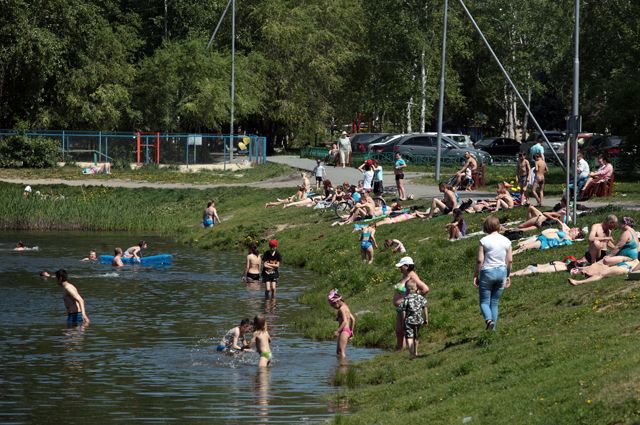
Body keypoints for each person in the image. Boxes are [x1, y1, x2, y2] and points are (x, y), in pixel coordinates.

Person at [474, 215, 512, 330]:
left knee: (484, 302)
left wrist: (476, 275)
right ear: (498, 226)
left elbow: (480, 260)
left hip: (488, 272)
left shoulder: (484, 241)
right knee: (494, 303)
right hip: (502, 272)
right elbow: (509, 260)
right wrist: (508, 275)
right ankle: (492, 331)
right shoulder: (507, 241)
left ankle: (488, 320)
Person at [393, 257, 429, 349]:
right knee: (399, 330)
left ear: (407, 266)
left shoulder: (411, 276)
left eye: (401, 266)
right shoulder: (406, 275)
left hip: (406, 308)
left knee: (404, 329)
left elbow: (425, 289)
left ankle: (407, 350)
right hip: (401, 307)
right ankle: (400, 349)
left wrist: (414, 301)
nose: (399, 268)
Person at [513, 223, 585, 255]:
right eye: (575, 229)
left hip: (545, 242)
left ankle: (511, 255)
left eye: (576, 231)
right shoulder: (566, 232)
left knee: (524, 247)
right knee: (520, 244)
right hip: (541, 237)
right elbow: (563, 224)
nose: (574, 229)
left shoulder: (568, 239)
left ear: (576, 236)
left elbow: (566, 242)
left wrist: (570, 239)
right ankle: (509, 252)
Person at [399, 280, 428, 358]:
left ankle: (411, 354)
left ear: (407, 290)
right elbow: (425, 308)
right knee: (416, 336)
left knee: (409, 337)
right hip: (418, 320)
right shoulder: (421, 298)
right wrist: (426, 319)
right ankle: (416, 352)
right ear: (416, 289)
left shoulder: (406, 299)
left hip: (409, 321)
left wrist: (403, 321)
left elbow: (403, 311)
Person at [327, 289, 356, 358]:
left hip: (344, 331)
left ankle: (344, 367)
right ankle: (339, 366)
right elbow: (353, 319)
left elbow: (345, 321)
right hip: (347, 330)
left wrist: (337, 331)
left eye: (333, 305)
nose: (334, 307)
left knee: (341, 351)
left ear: (337, 301)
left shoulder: (341, 309)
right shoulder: (346, 307)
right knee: (338, 352)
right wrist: (351, 331)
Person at [568, 259, 639, 286]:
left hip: (626, 267)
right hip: (626, 265)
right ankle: (586, 276)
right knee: (602, 273)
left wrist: (632, 271)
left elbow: (635, 269)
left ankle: (578, 282)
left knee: (601, 274)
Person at [511, 256, 579, 277]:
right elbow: (572, 272)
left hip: (534, 265)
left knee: (512, 274)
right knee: (512, 276)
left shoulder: (560, 263)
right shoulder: (563, 268)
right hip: (533, 270)